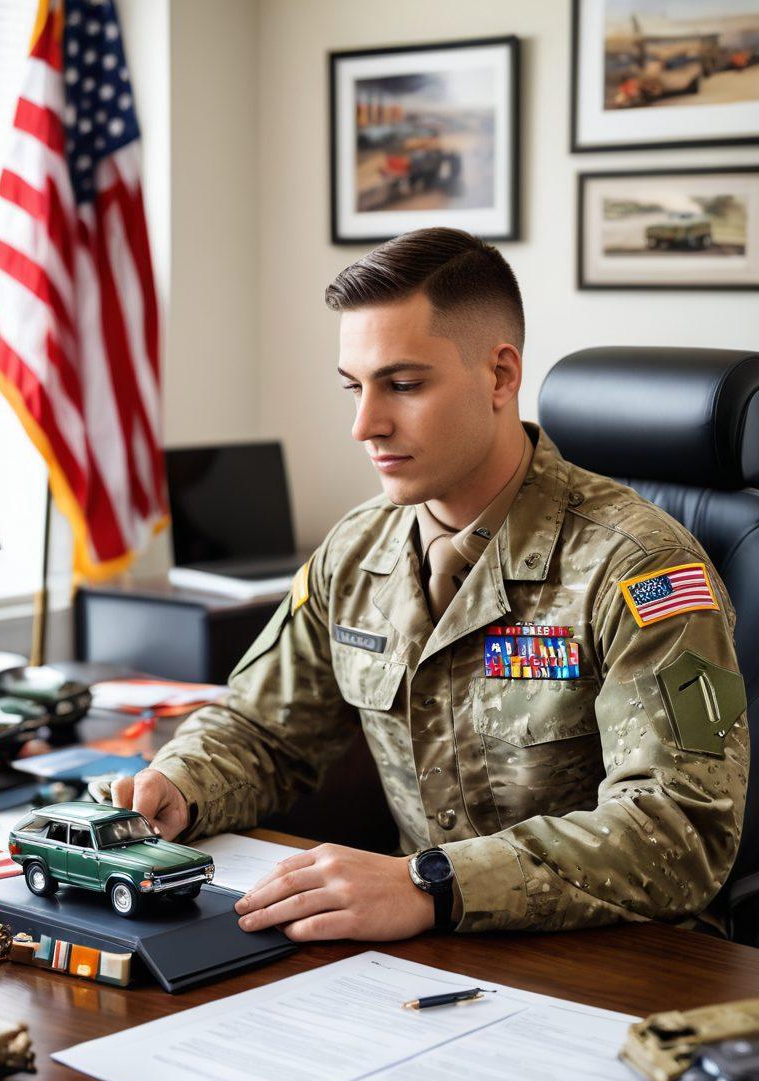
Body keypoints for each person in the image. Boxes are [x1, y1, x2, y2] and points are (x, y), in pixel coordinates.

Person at [112, 227, 748, 942]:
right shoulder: (355, 550)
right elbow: (264, 729)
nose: (364, 424)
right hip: (426, 947)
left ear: (501, 376)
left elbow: (681, 832)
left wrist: (431, 882)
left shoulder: (642, 567)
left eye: (404, 385)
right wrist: (182, 785)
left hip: (617, 959)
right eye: (354, 387)